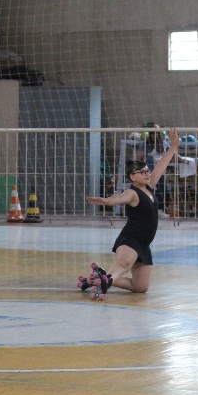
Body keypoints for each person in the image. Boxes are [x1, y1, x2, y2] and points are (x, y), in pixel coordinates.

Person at [80, 127, 180, 298]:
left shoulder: (149, 187)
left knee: (140, 287)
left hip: (144, 244)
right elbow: (119, 198)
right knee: (123, 265)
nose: (147, 174)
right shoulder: (132, 193)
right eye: (142, 172)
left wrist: (174, 146)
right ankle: (105, 282)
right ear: (133, 177)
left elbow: (161, 166)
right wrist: (106, 201)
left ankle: (97, 279)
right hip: (131, 239)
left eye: (147, 171)